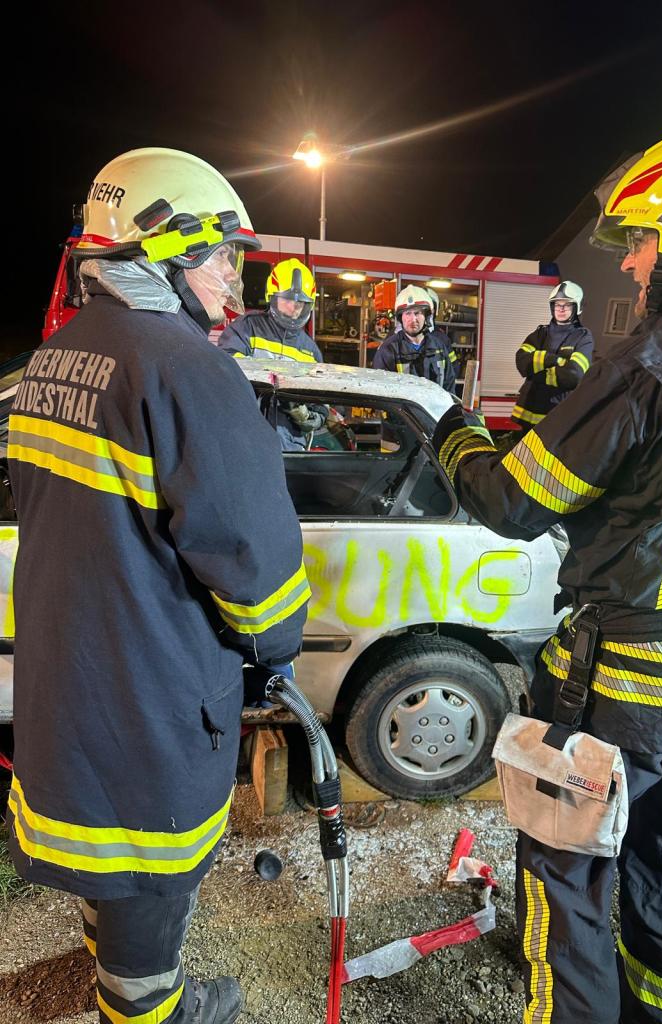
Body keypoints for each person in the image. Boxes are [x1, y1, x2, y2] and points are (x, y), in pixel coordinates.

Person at [432, 121, 662, 1024]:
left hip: (623, 693)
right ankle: (655, 1010)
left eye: (642, 239)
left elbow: (512, 502)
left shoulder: (657, 366)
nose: (629, 262)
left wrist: (456, 436)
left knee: (563, 868)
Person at [6, 148, 311, 1024]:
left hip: (66, 681)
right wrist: (273, 649)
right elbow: (253, 561)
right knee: (145, 878)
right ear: (162, 252)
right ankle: (154, 1010)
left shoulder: (53, 357)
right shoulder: (186, 369)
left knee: (104, 867)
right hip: (149, 698)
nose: (234, 277)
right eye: (220, 255)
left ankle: (121, 977)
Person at [218, 258, 327, 450]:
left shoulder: (310, 351)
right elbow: (223, 369)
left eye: (300, 302)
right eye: (287, 300)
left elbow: (321, 409)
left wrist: (303, 415)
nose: (293, 307)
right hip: (245, 441)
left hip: (289, 450)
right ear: (272, 297)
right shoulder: (248, 328)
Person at [508, 280, 593, 438]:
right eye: (557, 304)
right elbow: (522, 362)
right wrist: (556, 360)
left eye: (567, 304)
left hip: (558, 413)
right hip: (528, 410)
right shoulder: (540, 334)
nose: (561, 309)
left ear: (577, 307)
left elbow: (574, 375)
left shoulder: (582, 337)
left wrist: (536, 373)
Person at [373, 285, 457, 393]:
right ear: (400, 318)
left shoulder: (439, 347)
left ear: (426, 317)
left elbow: (449, 387)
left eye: (417, 313)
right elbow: (381, 391)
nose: (413, 319)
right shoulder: (388, 350)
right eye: (408, 313)